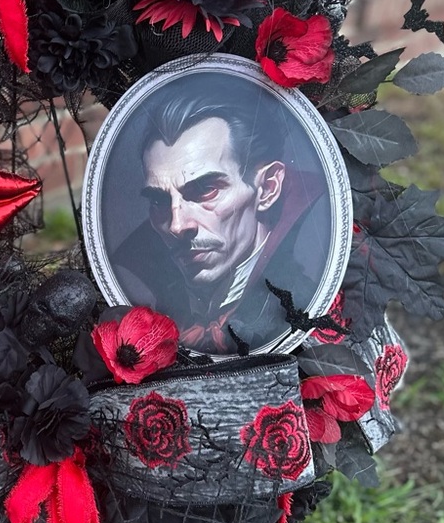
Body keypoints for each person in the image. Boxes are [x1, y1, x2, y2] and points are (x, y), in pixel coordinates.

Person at [110, 92, 324, 354]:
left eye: (205, 190)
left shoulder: (309, 286)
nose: (177, 226)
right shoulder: (148, 295)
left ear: (268, 188)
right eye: (159, 201)